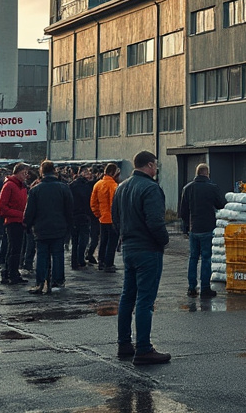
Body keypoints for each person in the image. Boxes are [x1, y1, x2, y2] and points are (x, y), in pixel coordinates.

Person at [113, 151, 170, 364]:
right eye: (155, 165)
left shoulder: (122, 187)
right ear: (149, 165)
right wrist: (163, 240)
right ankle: (144, 349)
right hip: (148, 249)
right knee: (145, 300)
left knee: (128, 296)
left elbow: (115, 219)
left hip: (129, 247)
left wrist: (124, 236)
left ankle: (124, 343)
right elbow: (155, 221)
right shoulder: (151, 188)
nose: (156, 169)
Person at [23, 159, 73, 294]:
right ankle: (58, 281)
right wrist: (69, 226)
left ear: (41, 172)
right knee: (58, 254)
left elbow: (30, 211)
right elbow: (69, 209)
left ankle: (40, 282)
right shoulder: (64, 188)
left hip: (41, 228)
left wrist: (28, 224)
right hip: (59, 227)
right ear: (54, 171)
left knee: (42, 255)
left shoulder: (35, 190)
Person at [178, 162, 226, 298]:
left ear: (196, 173)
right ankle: (205, 288)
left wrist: (187, 226)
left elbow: (183, 211)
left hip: (194, 228)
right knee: (206, 258)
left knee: (193, 258)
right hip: (207, 227)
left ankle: (191, 288)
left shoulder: (187, 188)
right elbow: (221, 204)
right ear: (207, 173)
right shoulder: (212, 188)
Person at [0, 162, 29, 285]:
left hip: (19, 221)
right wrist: (21, 215)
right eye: (24, 173)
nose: (26, 176)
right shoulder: (9, 185)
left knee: (15, 248)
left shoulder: (21, 186)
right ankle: (12, 273)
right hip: (13, 221)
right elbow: (2, 207)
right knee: (14, 249)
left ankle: (10, 272)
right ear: (17, 172)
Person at [91, 163, 120, 273]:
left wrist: (98, 214)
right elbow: (115, 204)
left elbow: (93, 203)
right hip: (112, 219)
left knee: (103, 241)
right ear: (113, 173)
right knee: (112, 242)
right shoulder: (113, 186)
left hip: (102, 218)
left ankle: (101, 261)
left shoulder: (98, 184)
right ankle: (109, 263)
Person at [70, 166, 98, 269]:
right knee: (83, 238)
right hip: (83, 215)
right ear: (81, 173)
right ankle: (80, 259)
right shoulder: (86, 186)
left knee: (75, 240)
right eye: (86, 172)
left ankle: (74, 261)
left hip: (74, 215)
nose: (89, 174)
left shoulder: (71, 185)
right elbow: (88, 202)